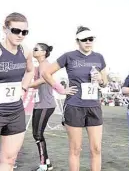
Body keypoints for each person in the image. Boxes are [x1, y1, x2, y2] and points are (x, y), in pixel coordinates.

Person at [42, 26, 108, 171]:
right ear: (77, 41)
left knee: (96, 149)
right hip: (74, 106)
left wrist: (101, 80)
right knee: (75, 149)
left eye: (91, 39)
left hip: (94, 106)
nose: (88, 42)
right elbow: (46, 73)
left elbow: (105, 82)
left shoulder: (99, 57)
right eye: (84, 39)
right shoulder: (68, 56)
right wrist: (61, 89)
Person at [0, 12, 34, 171]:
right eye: (16, 31)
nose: (20, 35)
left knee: (10, 159)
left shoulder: (25, 51)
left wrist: (23, 88)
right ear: (4, 29)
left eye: (24, 32)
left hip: (15, 111)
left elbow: (30, 71)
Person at [28, 43, 56, 171]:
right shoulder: (39, 66)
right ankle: (47, 162)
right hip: (40, 104)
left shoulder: (45, 64)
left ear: (43, 52)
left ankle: (44, 164)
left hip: (46, 104)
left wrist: (28, 85)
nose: (33, 51)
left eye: (36, 49)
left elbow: (44, 79)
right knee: (37, 134)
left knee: (37, 135)